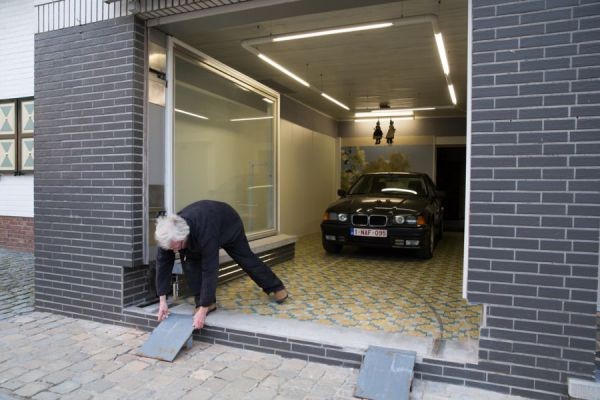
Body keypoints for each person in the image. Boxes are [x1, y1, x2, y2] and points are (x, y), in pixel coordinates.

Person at [154, 200, 288, 330]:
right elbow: (163, 265)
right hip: (203, 227)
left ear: (182, 237)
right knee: (190, 264)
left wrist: (202, 310)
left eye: (175, 247)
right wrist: (162, 301)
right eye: (170, 248)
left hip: (228, 224)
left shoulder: (204, 231)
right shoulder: (168, 235)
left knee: (246, 259)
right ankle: (207, 302)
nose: (173, 250)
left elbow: (210, 268)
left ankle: (276, 287)